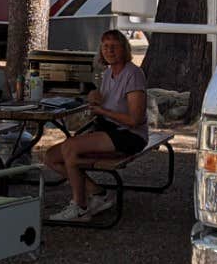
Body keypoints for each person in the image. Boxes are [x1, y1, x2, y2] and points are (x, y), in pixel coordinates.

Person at [41, 29, 148, 222]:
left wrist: (103, 112)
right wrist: (94, 99)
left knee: (71, 148)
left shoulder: (133, 74)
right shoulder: (107, 74)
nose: (109, 50)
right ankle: (97, 193)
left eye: (114, 46)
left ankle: (80, 207)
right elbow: (104, 103)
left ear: (124, 49)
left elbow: (135, 120)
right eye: (105, 46)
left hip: (130, 135)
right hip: (108, 130)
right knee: (50, 157)